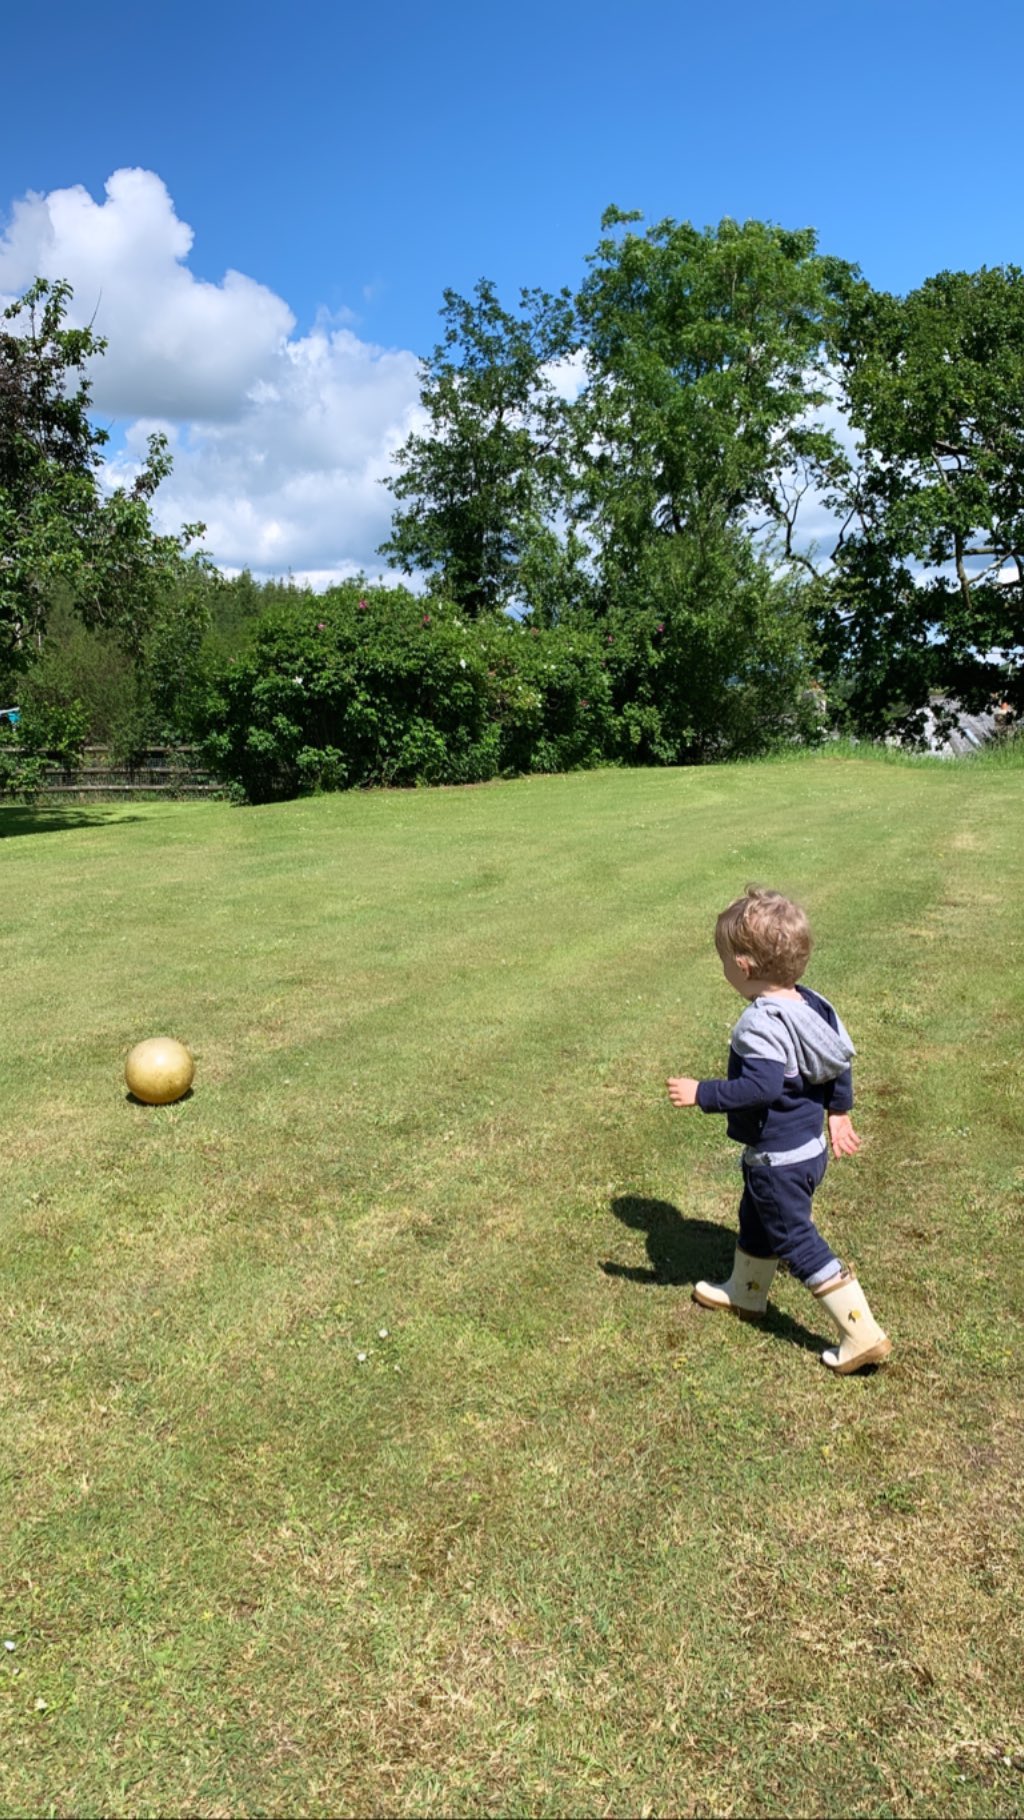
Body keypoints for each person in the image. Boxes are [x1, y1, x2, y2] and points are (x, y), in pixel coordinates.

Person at [667, 886, 891, 1374]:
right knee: (757, 1219)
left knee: (796, 1239)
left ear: (744, 968)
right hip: (808, 1150)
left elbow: (760, 1088)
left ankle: (861, 1333)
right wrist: (839, 1111)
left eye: (724, 960)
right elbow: (838, 1061)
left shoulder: (760, 1025)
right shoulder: (815, 1005)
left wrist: (701, 1092)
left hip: (779, 1160)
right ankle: (746, 1294)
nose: (724, 968)